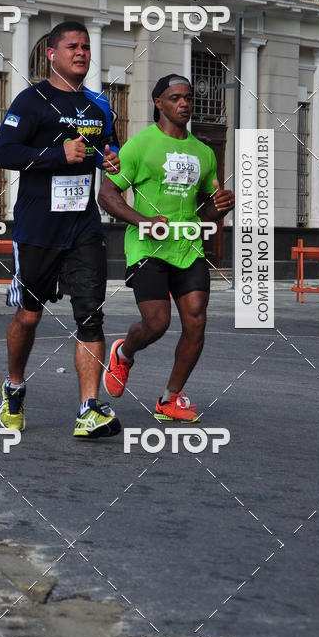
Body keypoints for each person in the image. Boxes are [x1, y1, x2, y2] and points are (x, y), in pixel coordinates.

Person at [0, 21, 122, 439]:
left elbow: (109, 145)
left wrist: (111, 159)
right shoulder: (32, 101)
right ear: (52, 54)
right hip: (37, 228)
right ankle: (14, 386)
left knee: (91, 316)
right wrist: (56, 154)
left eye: (85, 47)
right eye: (72, 47)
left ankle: (88, 408)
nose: (81, 53)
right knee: (28, 317)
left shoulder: (99, 104)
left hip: (83, 227)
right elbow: (4, 152)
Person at [98, 74, 235, 423]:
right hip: (147, 248)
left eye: (188, 97)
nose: (184, 103)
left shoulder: (204, 152)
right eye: (175, 98)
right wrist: (143, 220)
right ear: (159, 102)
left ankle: (169, 399)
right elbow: (108, 195)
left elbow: (204, 208)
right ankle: (124, 352)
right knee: (157, 323)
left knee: (196, 321)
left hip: (188, 247)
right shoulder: (140, 145)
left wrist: (218, 207)